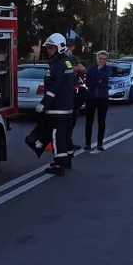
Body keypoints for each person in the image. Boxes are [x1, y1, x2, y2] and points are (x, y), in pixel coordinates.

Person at [36, 33, 75, 175]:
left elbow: (53, 89)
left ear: (59, 47)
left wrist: (43, 104)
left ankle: (59, 165)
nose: (48, 51)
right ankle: (67, 159)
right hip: (67, 107)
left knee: (57, 135)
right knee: (65, 135)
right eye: (48, 48)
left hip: (57, 108)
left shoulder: (57, 66)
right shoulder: (67, 62)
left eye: (51, 48)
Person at [81, 50, 112, 151]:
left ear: (106, 60)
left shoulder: (108, 69)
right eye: (100, 58)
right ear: (97, 58)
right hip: (91, 98)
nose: (102, 60)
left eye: (104, 59)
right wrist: (97, 78)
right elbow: (89, 82)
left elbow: (104, 77)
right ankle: (87, 143)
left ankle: (100, 143)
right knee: (89, 121)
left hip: (103, 98)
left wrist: (97, 77)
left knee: (101, 121)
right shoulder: (91, 69)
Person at [67, 40, 88, 146]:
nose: (68, 48)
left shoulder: (74, 58)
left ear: (73, 47)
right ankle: (62, 143)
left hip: (74, 91)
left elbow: (83, 70)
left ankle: (69, 141)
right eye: (66, 45)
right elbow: (64, 69)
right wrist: (75, 70)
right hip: (64, 92)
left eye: (70, 46)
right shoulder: (61, 58)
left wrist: (73, 68)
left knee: (73, 118)